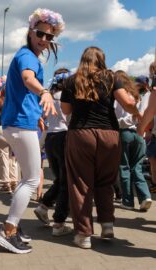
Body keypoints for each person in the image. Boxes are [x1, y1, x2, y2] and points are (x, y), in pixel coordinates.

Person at [0, 8, 64, 254]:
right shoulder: (27, 56)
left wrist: (38, 116)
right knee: (32, 179)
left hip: (20, 123)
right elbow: (27, 79)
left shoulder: (29, 55)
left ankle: (13, 225)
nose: (44, 39)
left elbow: (23, 91)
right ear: (31, 31)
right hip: (19, 124)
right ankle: (9, 229)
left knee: (28, 178)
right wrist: (44, 92)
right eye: (40, 33)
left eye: (49, 36)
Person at [61, 47, 141, 249]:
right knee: (105, 181)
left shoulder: (71, 80)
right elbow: (127, 102)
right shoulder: (112, 77)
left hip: (80, 133)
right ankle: (107, 225)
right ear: (102, 60)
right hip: (109, 134)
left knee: (81, 184)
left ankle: (83, 234)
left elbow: (65, 110)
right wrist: (138, 112)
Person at [34, 68, 72, 236]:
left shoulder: (48, 97)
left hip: (50, 138)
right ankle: (59, 223)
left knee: (60, 179)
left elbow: (45, 120)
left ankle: (44, 206)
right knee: (66, 181)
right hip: (64, 137)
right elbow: (70, 119)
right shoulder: (67, 96)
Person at [114, 70, 152, 211]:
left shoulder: (117, 96)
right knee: (137, 167)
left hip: (123, 133)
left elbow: (114, 116)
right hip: (139, 134)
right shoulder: (137, 96)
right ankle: (145, 196)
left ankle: (128, 201)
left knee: (124, 167)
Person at [0, 92, 19, 193]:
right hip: (14, 130)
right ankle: (14, 182)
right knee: (13, 158)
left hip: (1, 129)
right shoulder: (14, 103)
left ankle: (6, 184)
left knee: (3, 157)